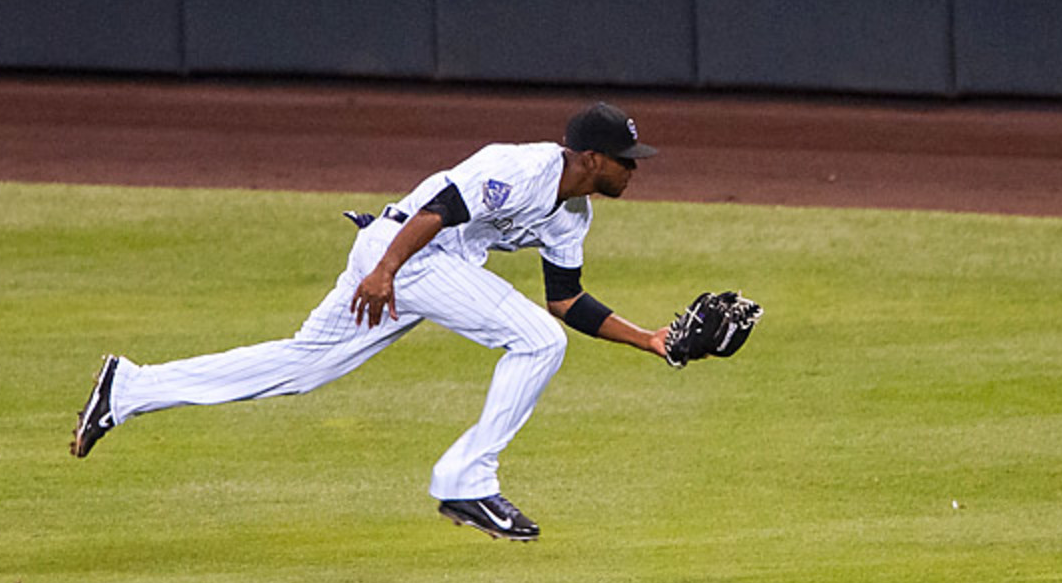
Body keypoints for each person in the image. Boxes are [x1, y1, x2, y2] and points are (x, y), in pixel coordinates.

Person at [72, 101, 667, 541]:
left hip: (418, 265)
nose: (633, 172)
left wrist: (650, 341)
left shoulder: (574, 213)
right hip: (408, 255)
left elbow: (566, 299)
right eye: (625, 163)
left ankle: (128, 389)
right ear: (592, 158)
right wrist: (383, 271)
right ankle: (466, 479)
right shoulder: (521, 168)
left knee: (304, 363)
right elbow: (438, 211)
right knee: (537, 342)